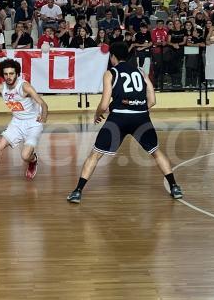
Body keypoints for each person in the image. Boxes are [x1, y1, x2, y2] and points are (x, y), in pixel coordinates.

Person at [67, 41, 182, 204]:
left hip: (118, 119)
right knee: (156, 152)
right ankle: (175, 187)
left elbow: (105, 104)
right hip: (141, 117)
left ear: (112, 57)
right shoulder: (140, 72)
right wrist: (139, 108)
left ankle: (77, 191)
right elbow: (153, 100)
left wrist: (97, 114)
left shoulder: (110, 73)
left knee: (96, 154)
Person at [0, 59, 49, 187]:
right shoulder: (1, 88)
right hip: (17, 122)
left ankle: (33, 160)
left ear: (17, 74)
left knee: (25, 156)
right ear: (2, 75)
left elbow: (42, 103)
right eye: (6, 74)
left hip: (33, 123)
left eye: (11, 73)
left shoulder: (24, 86)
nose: (9, 77)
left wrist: (44, 116)